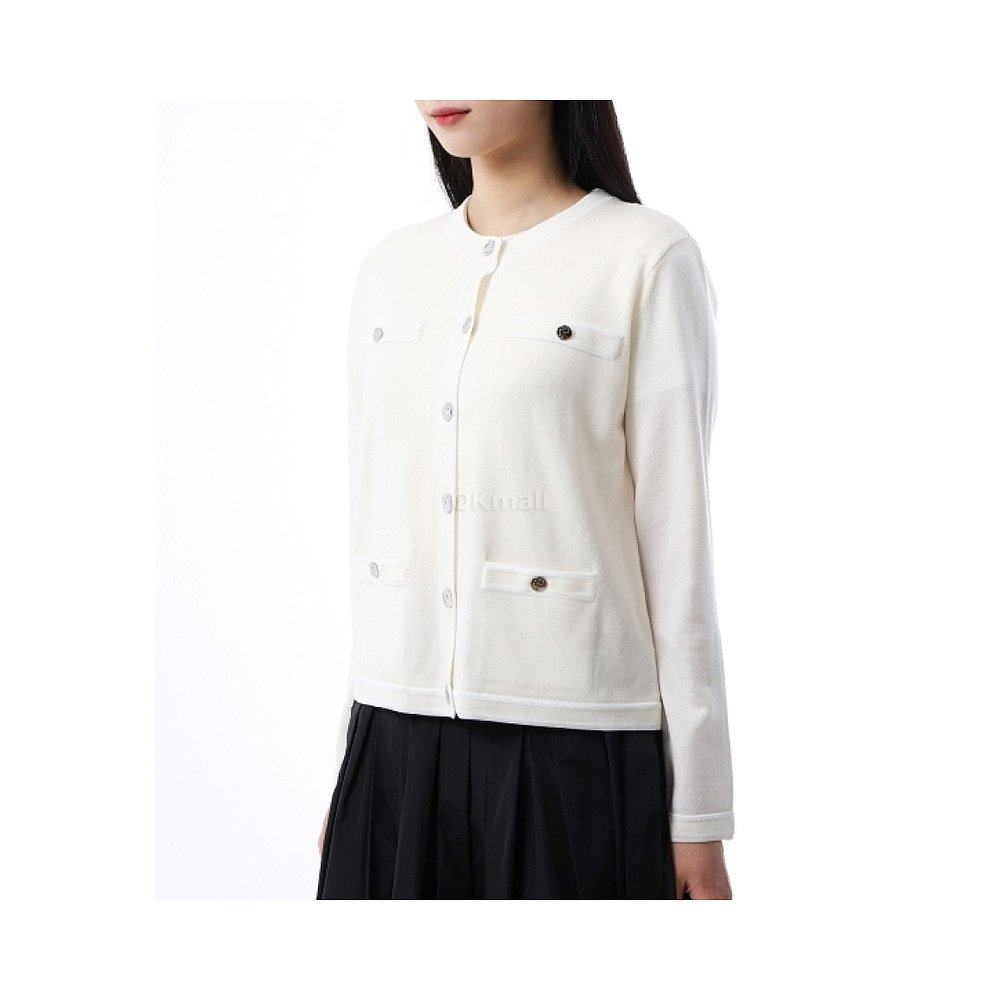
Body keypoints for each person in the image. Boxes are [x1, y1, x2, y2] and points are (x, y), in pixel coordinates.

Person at [317, 100, 734, 899]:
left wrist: (700, 815)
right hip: (391, 747)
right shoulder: (389, 269)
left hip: (576, 756)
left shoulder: (646, 257)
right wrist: (351, 761)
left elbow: (679, 550)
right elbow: (377, 523)